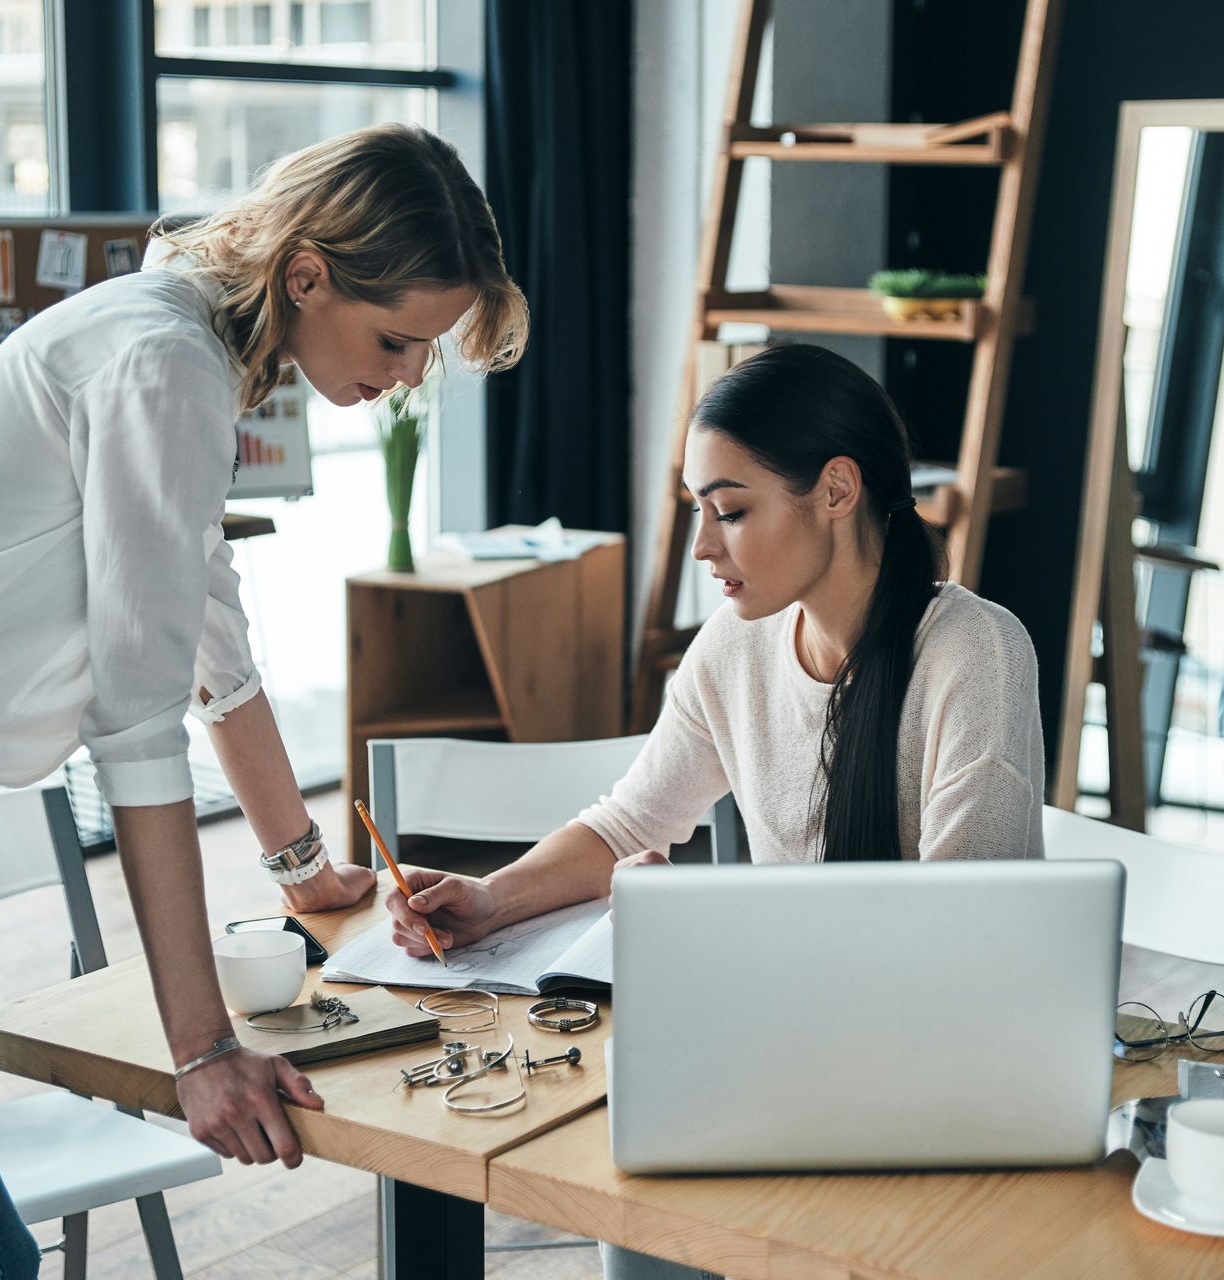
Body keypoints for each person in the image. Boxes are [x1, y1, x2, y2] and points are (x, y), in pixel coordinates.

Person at [0, 122, 525, 1279]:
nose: (408, 375)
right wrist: (203, 1049)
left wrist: (303, 870)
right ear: (308, 273)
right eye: (398, 338)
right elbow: (136, 725)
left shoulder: (178, 350)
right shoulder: (163, 359)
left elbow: (212, 647)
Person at [380, 342, 1043, 1280]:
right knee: (628, 1171)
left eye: (730, 510)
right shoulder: (735, 647)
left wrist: (702, 932)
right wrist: (492, 900)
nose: (702, 547)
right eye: (699, 510)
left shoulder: (975, 654)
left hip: (938, 1075)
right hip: (792, 1050)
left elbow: (958, 932)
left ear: (838, 490)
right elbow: (627, 823)